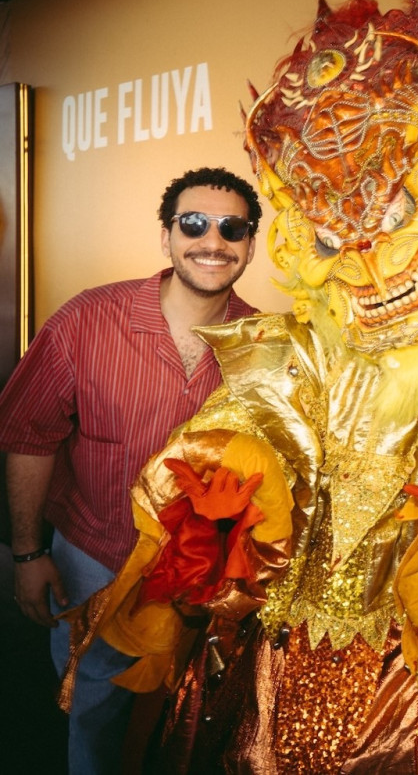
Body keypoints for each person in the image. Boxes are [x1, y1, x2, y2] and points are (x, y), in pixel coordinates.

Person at [58, 0, 418, 774]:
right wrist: (220, 499)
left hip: (413, 695)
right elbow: (245, 429)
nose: (371, 264)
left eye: (389, 223)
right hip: (263, 673)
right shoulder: (290, 349)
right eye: (338, 236)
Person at [0, 166, 262, 774]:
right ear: (167, 235)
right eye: (193, 223)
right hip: (94, 558)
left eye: (232, 228)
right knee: (91, 714)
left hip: (202, 581)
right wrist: (25, 554)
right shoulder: (87, 321)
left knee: (184, 725)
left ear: (249, 244)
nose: (212, 241)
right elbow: (28, 437)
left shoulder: (264, 344)